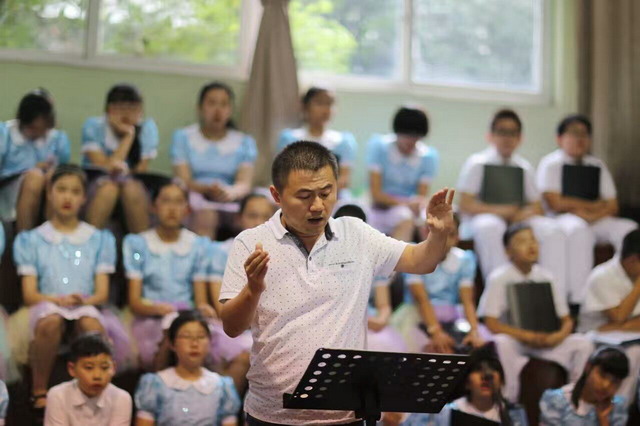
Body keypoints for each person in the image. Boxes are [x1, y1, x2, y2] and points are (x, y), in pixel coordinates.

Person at [220, 141, 456, 425]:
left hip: (345, 414)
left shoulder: (355, 234)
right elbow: (232, 327)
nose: (317, 206)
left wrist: (438, 235)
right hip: (271, 414)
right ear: (277, 195)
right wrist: (253, 289)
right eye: (304, 196)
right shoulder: (250, 242)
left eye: (326, 193)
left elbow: (421, 261)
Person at [13, 164, 117, 410]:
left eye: (75, 191)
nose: (67, 197)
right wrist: (57, 301)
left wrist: (82, 301)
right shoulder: (32, 240)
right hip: (47, 304)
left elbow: (102, 293)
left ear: (84, 198)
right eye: (61, 190)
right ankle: (39, 391)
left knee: (90, 325)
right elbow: (29, 294)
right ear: (49, 194)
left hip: (84, 304)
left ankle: (95, 390)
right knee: (51, 322)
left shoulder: (98, 239)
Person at [477, 223, 594, 402]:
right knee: (501, 342)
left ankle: (575, 397)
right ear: (508, 251)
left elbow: (566, 319)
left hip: (546, 341)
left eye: (533, 240)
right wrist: (527, 336)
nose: (531, 245)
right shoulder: (499, 278)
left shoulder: (547, 276)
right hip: (517, 342)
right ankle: (508, 399)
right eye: (522, 241)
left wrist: (557, 336)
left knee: (583, 343)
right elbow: (491, 322)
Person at [457, 109, 567, 292]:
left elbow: (538, 207)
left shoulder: (524, 167)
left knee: (551, 229)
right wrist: (503, 212)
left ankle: (554, 295)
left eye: (512, 133)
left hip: (517, 219)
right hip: (484, 219)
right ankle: (502, 293)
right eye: (502, 132)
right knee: (490, 226)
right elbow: (465, 204)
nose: (507, 138)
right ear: (491, 136)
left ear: (520, 138)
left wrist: (520, 214)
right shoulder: (477, 163)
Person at [536, 114, 638, 304]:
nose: (580, 139)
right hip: (563, 220)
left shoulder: (597, 164)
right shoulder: (551, 163)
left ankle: (625, 291)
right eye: (574, 133)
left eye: (584, 134)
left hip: (596, 219)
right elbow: (555, 203)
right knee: (578, 229)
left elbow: (612, 205)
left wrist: (591, 213)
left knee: (629, 229)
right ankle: (578, 299)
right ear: (560, 138)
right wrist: (593, 205)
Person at [123, 181, 213, 370]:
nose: (172, 208)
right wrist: (157, 309)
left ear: (187, 209)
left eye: (178, 202)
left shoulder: (197, 246)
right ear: (153, 207)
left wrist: (204, 308)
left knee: (198, 338)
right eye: (165, 201)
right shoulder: (138, 244)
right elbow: (134, 301)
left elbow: (200, 300)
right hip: (151, 316)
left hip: (185, 315)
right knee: (166, 340)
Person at [172, 81, 257, 239]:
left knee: (256, 213)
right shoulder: (184, 137)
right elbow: (183, 180)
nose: (218, 110)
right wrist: (207, 189)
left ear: (230, 110)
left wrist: (230, 192)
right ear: (200, 108)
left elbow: (244, 183)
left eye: (224, 104)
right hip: (195, 197)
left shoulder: (244, 142)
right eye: (212, 103)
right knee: (206, 215)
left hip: (230, 199)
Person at [393, 213, 485, 354]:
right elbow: (421, 298)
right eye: (438, 234)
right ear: (426, 233)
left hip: (452, 314)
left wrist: (474, 330)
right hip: (416, 314)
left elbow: (467, 300)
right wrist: (435, 331)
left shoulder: (465, 260)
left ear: (457, 237)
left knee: (478, 345)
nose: (444, 240)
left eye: (450, 234)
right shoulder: (414, 256)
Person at [134, 310, 241, 426]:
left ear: (210, 341)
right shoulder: (154, 384)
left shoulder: (222, 387)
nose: (194, 344)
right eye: (186, 336)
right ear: (172, 343)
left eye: (201, 336)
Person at [82, 83, 158, 233]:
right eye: (121, 108)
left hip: (130, 182)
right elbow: (104, 168)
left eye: (133, 108)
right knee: (109, 188)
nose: (127, 114)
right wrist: (128, 137)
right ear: (109, 110)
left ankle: (140, 244)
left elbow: (140, 171)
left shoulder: (147, 128)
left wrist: (131, 134)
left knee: (132, 188)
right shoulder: (93, 126)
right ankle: (89, 241)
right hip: (97, 182)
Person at [332, 202, 407, 354]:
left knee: (384, 345)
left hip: (369, 321)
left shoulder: (373, 260)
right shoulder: (327, 261)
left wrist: (381, 320)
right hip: (338, 323)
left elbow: (383, 305)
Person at [580, 229, 640, 402]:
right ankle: (616, 408)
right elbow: (619, 316)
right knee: (633, 353)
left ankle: (623, 409)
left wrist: (621, 326)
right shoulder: (602, 276)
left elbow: (619, 323)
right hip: (595, 338)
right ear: (633, 260)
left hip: (628, 336)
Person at [403, 345, 528, 425]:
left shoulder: (514, 413)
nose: (485, 376)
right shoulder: (447, 412)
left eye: (493, 369)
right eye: (478, 370)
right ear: (467, 383)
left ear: (502, 381)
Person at [0, 89, 70, 231]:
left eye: (41, 128)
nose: (36, 133)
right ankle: (24, 238)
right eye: (32, 128)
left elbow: (65, 171)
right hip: (9, 189)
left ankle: (53, 236)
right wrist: (30, 169)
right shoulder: (5, 134)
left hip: (45, 189)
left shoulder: (58, 139)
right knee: (34, 177)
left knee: (55, 177)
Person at [367, 106, 439, 241]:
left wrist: (414, 205)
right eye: (407, 135)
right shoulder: (379, 147)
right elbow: (376, 195)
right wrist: (407, 203)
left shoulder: (428, 157)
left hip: (406, 213)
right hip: (376, 209)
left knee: (408, 218)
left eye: (416, 136)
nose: (411, 141)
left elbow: (420, 198)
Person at [277, 87, 357, 197]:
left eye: (330, 103)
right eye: (320, 103)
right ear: (305, 107)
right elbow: (283, 176)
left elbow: (344, 179)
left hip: (333, 197)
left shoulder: (343, 141)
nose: (326, 109)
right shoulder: (290, 139)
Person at [44, 333, 132, 425]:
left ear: (113, 368)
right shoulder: (58, 395)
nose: (97, 376)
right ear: (72, 369)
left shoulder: (121, 398)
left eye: (104, 367)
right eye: (89, 368)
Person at [539, 346, 629, 426]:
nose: (606, 385)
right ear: (588, 367)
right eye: (602, 375)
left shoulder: (617, 408)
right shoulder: (558, 400)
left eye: (615, 381)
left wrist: (603, 419)